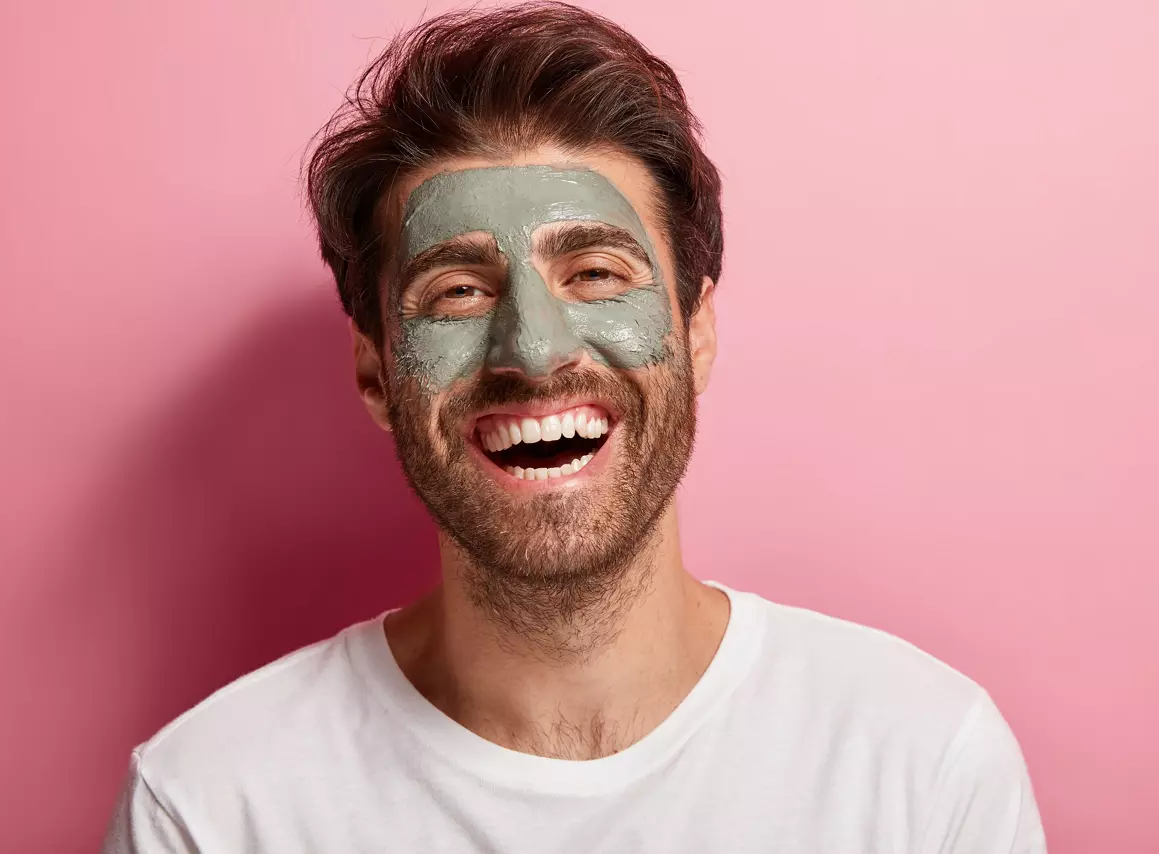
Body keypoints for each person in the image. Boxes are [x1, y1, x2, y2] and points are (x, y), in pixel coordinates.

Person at [103, 3, 1046, 851]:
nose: (534, 350)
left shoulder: (924, 764)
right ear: (376, 372)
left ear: (696, 334)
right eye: (458, 291)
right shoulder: (210, 809)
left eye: (595, 273)